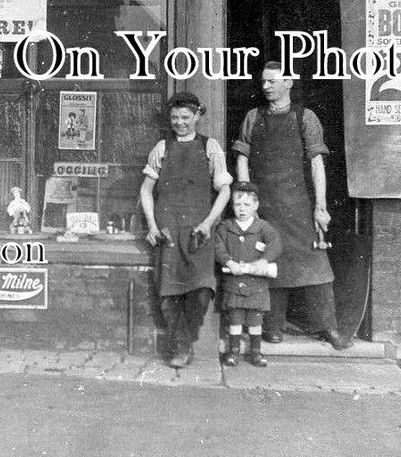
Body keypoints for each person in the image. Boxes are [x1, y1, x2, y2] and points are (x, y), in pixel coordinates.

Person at [232, 61, 352, 350]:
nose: (265, 86)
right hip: (266, 206)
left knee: (316, 265)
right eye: (263, 82)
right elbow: (242, 158)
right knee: (271, 263)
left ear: (289, 83)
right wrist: (248, 202)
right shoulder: (253, 116)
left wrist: (320, 207)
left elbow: (316, 163)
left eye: (272, 81)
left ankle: (329, 327)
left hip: (299, 205)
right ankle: (273, 327)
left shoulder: (305, 117)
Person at [139, 91, 232, 368]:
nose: (180, 123)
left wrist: (208, 222)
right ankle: (180, 349)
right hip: (168, 232)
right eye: (175, 118)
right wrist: (152, 225)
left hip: (198, 233)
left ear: (198, 116)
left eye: (185, 117)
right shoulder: (162, 148)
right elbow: (146, 190)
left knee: (201, 291)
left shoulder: (209, 147)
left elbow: (225, 190)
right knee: (169, 295)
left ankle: (184, 342)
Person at [214, 182, 283, 367]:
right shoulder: (225, 227)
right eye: (238, 205)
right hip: (234, 282)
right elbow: (218, 247)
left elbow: (276, 244)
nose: (242, 209)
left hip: (256, 284)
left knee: (255, 320)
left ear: (255, 206)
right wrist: (229, 262)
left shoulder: (263, 228)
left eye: (246, 205)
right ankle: (233, 352)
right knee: (235, 319)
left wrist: (264, 260)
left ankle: (256, 352)